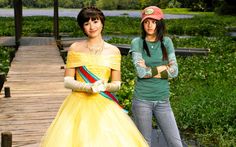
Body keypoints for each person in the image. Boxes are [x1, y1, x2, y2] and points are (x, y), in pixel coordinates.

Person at [40, 6, 148, 147]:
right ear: (82, 27)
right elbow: (67, 81)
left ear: (102, 23)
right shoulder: (75, 48)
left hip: (104, 105)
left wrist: (104, 86)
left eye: (95, 21)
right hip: (77, 104)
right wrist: (88, 87)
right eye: (86, 23)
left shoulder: (113, 51)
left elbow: (117, 84)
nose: (92, 27)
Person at [130, 6, 183, 147]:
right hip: (142, 100)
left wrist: (150, 69)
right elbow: (141, 73)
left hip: (163, 101)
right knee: (144, 143)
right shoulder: (137, 43)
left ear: (159, 23)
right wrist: (162, 68)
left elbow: (175, 71)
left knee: (176, 143)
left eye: (154, 21)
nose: (150, 25)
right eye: (146, 22)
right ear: (143, 23)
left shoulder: (167, 42)